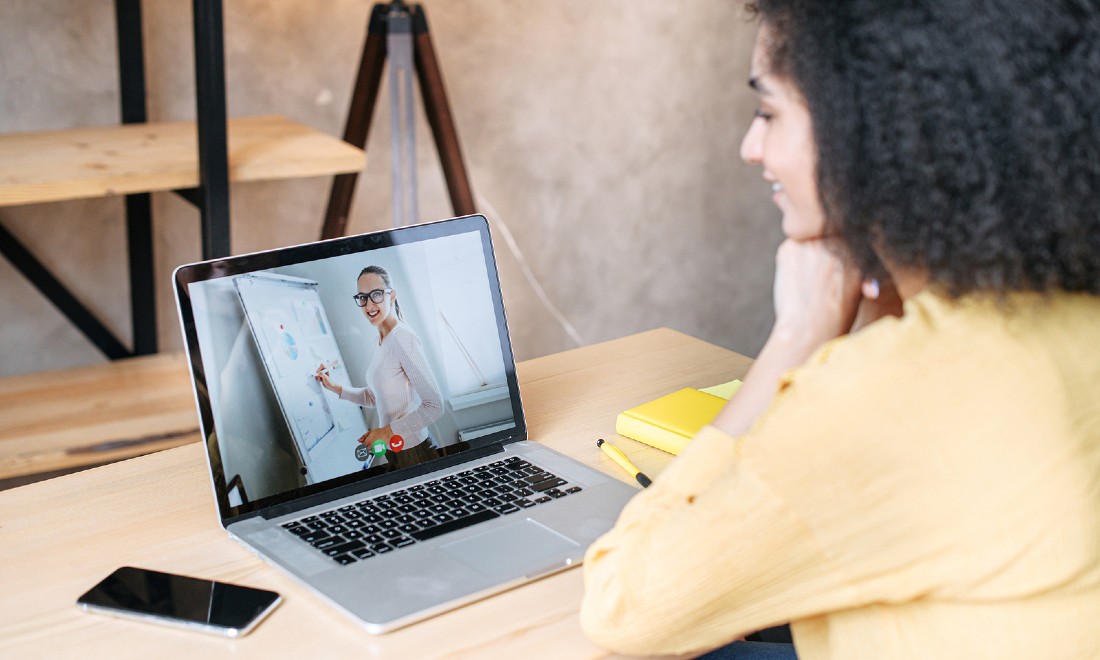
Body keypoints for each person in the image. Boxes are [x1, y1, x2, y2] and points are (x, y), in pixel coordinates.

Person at [580, 1, 1100, 658]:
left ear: (875, 133)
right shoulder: (1072, 315)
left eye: (768, 114)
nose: (750, 147)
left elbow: (622, 604)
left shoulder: (883, 397)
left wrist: (797, 335)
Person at [315, 265, 444, 471]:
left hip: (416, 453)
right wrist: (335, 388)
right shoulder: (379, 340)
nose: (369, 305)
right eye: (362, 297)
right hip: (396, 451)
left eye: (376, 294)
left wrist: (385, 433)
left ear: (391, 296)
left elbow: (435, 406)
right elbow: (374, 397)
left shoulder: (402, 338)